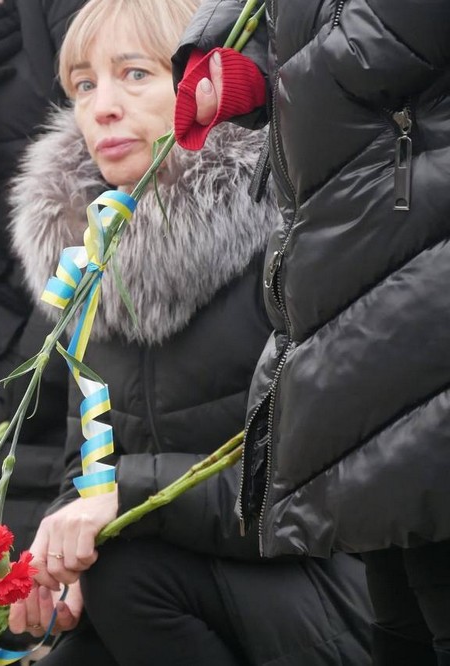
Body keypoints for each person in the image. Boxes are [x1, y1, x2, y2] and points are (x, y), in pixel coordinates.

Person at [5, 1, 373, 663]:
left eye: (136, 75)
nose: (103, 107)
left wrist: (123, 501)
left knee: (125, 578)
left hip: (329, 596)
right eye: (85, 84)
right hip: (180, 583)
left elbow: (315, 489)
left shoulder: (288, 241)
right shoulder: (94, 256)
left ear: (203, 87)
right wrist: (60, 555)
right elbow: (85, 464)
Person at [174, 1, 450, 663]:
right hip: (356, 264)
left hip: (416, 260)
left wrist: (295, 72)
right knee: (398, 572)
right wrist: (238, 62)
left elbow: (382, 43)